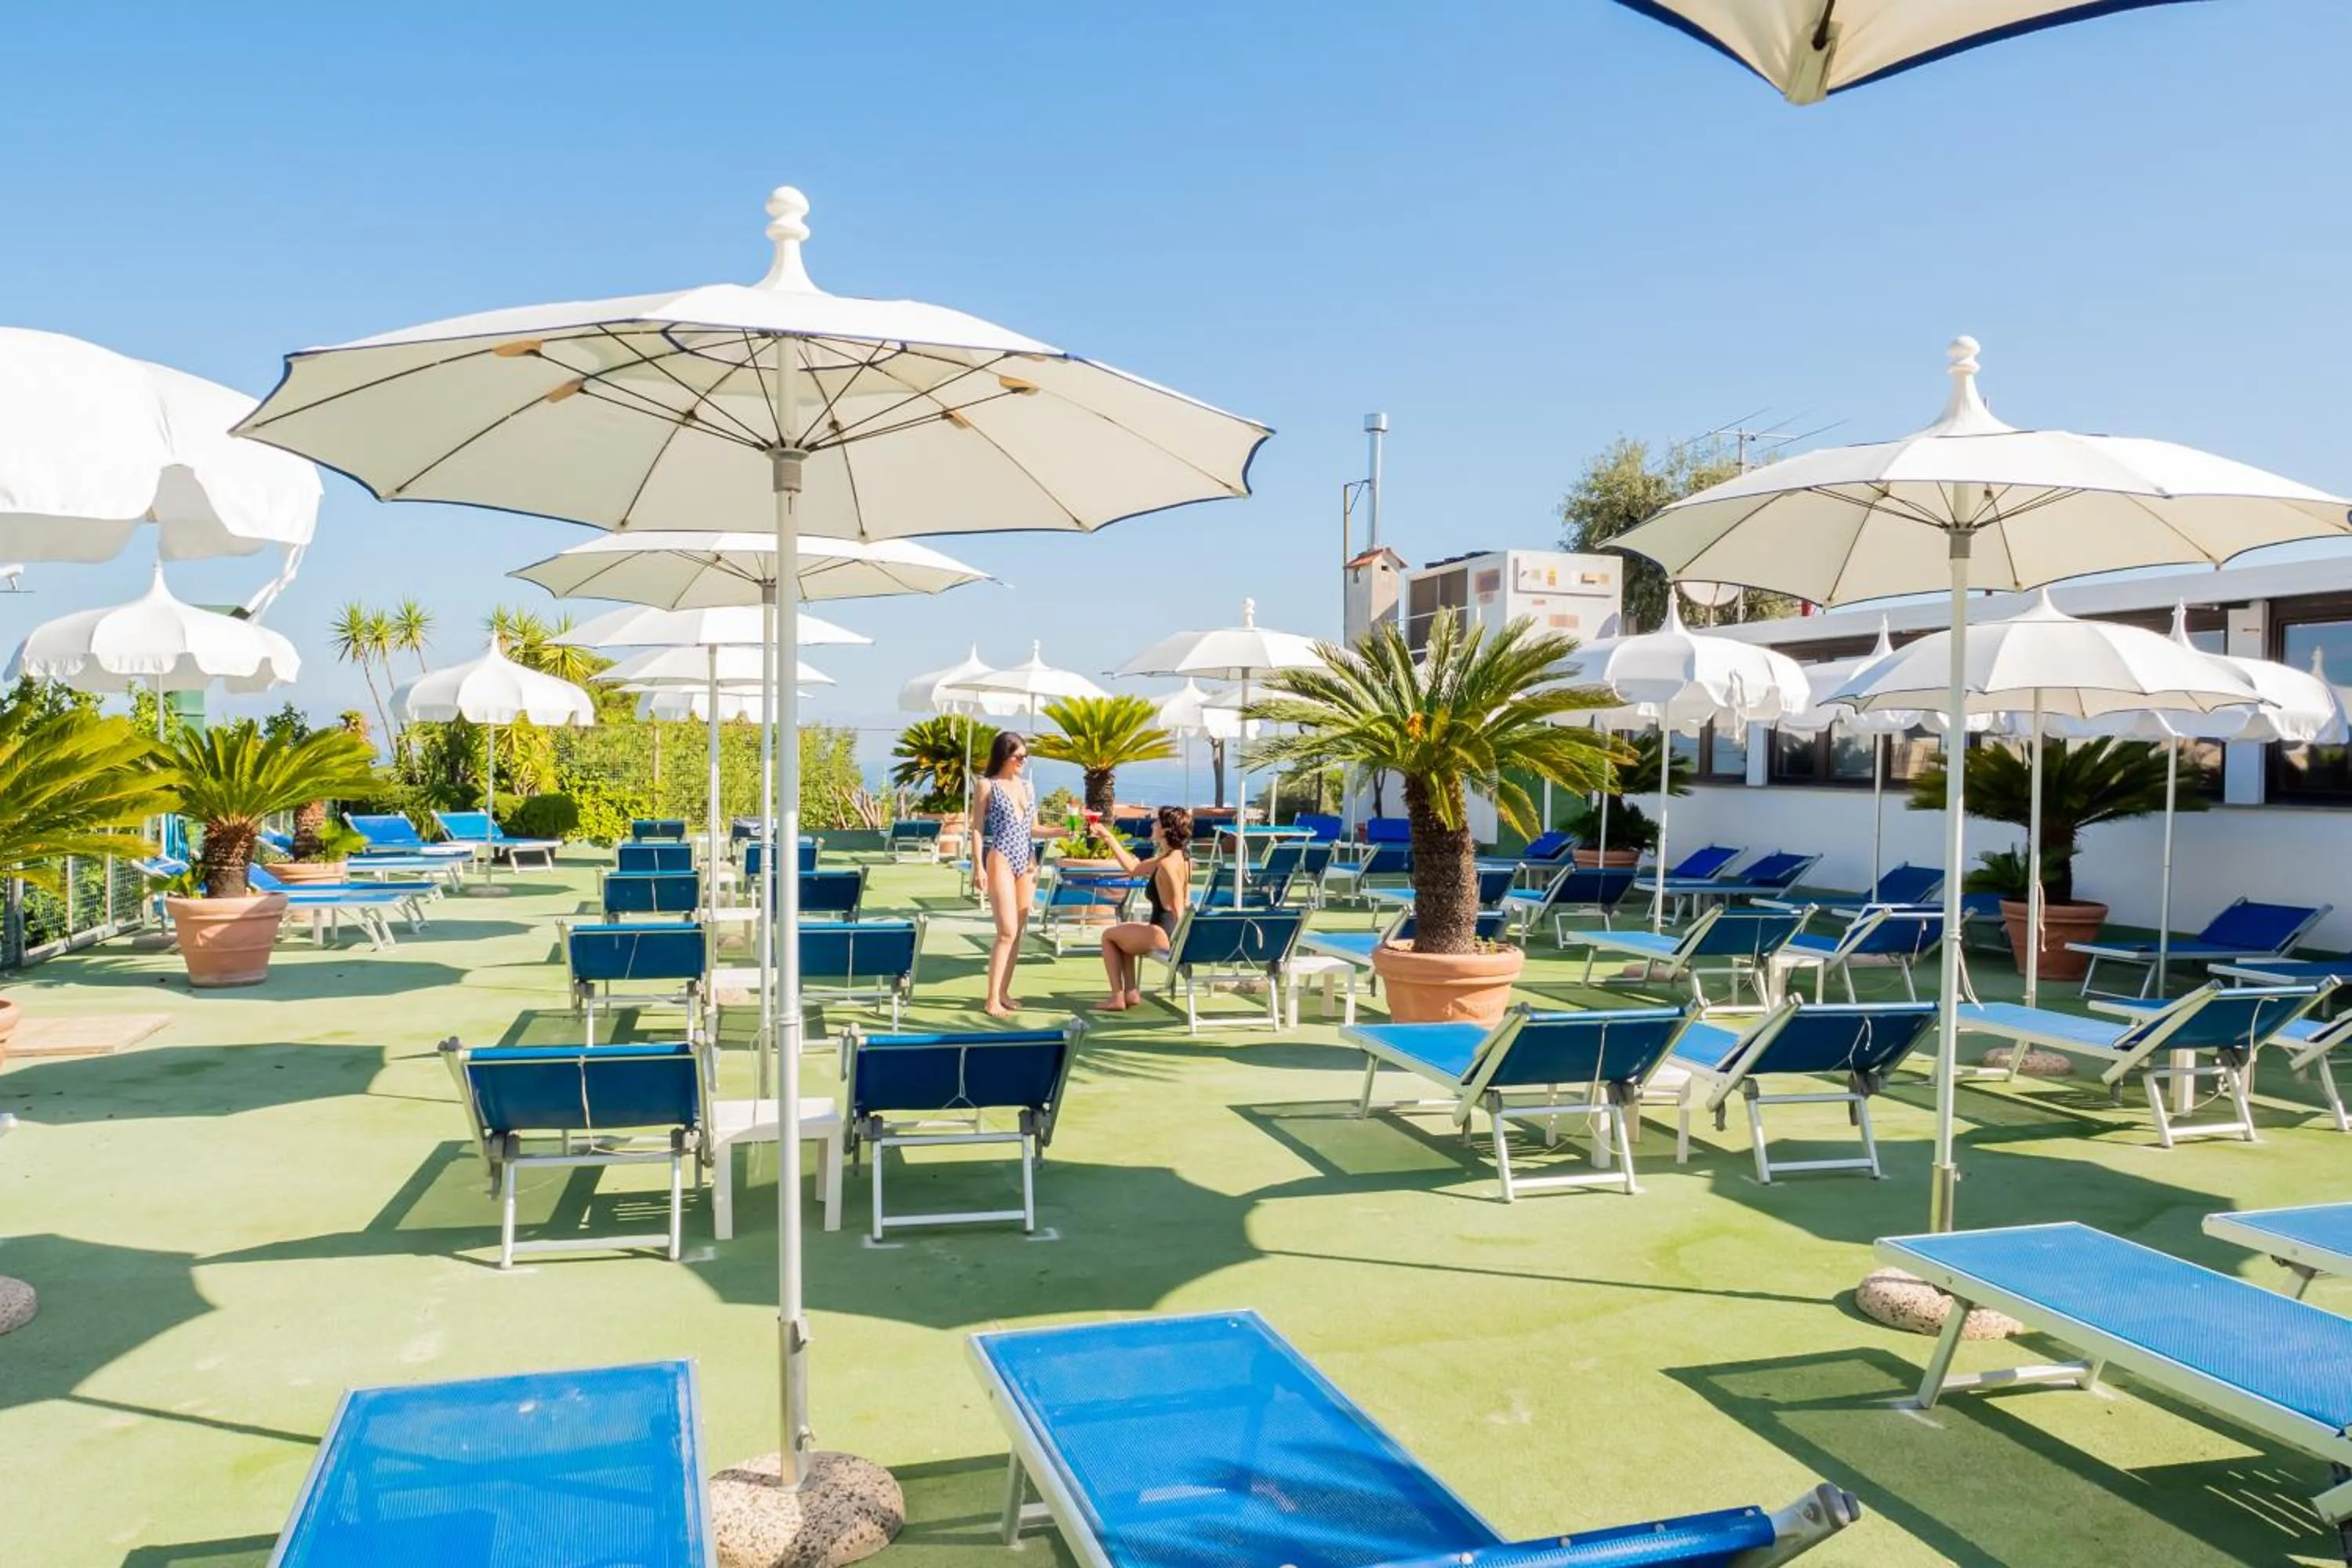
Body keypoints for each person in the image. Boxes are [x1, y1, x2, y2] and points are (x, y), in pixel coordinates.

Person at [1086, 806, 1192, 1011]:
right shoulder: (1178, 858)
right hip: (1163, 931)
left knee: (1109, 936)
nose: (1152, 825)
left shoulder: (1167, 865)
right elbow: (1133, 869)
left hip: (1163, 933)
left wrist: (1181, 945)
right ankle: (1131, 993)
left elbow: (1180, 905)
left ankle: (1117, 998)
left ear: (1166, 831)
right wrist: (1108, 836)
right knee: (1124, 934)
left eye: (1157, 822)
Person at [975, 729, 1039, 1018]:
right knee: (1007, 931)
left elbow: (1034, 828)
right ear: (1004, 755)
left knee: (1019, 933)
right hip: (1000, 856)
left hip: (1027, 860)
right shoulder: (986, 785)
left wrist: (1069, 830)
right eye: (1018, 756)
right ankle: (991, 999)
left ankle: (1003, 992)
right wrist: (977, 865)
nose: (1023, 761)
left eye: (1026, 756)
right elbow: (976, 828)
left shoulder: (1027, 787)